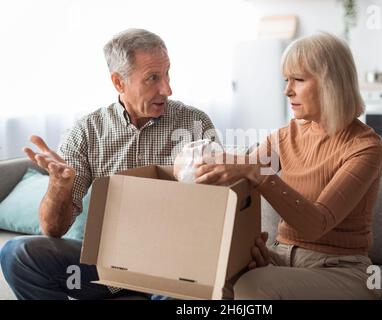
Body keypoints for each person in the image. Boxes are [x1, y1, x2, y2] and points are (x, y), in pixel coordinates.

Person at [0, 28, 218, 300]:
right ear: (118, 82)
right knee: (17, 254)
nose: (167, 88)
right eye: (152, 78)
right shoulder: (86, 132)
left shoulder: (195, 124)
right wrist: (59, 186)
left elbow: (218, 213)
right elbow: (53, 230)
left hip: (173, 267)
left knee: (183, 292)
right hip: (105, 269)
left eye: (167, 74)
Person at [193, 32, 382, 299]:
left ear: (330, 83)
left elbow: (317, 224)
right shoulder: (285, 136)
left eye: (298, 79)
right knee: (214, 276)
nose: (287, 90)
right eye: (286, 80)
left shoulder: (365, 146)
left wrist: (256, 171)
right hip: (282, 257)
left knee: (253, 286)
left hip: (343, 270)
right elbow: (242, 181)